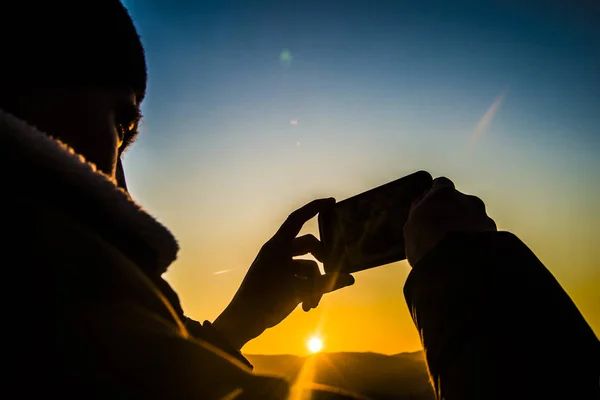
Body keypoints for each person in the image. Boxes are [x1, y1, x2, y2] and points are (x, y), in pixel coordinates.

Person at [2, 1, 597, 399]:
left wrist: (236, 324)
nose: (121, 187)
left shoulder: (55, 304)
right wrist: (466, 268)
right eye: (121, 125)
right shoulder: (48, 283)